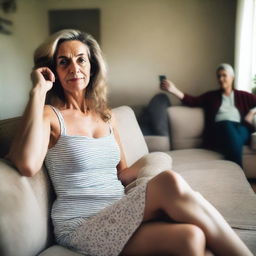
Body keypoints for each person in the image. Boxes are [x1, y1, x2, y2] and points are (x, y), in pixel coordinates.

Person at [6, 30, 253, 256]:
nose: (74, 67)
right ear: (54, 71)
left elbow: (122, 173)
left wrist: (152, 163)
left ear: (92, 66)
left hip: (117, 213)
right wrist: (37, 91)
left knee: (191, 237)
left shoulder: (105, 114)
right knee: (170, 181)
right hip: (81, 225)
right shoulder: (50, 114)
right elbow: (27, 165)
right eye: (63, 62)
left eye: (81, 59)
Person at [160, 63, 256, 167]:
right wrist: (173, 89)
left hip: (240, 128)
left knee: (237, 136)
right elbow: (192, 101)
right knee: (227, 125)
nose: (221, 78)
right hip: (220, 129)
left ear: (232, 77)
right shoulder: (211, 96)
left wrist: (251, 113)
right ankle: (239, 172)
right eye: (218, 76)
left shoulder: (243, 95)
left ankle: (234, 172)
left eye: (224, 75)